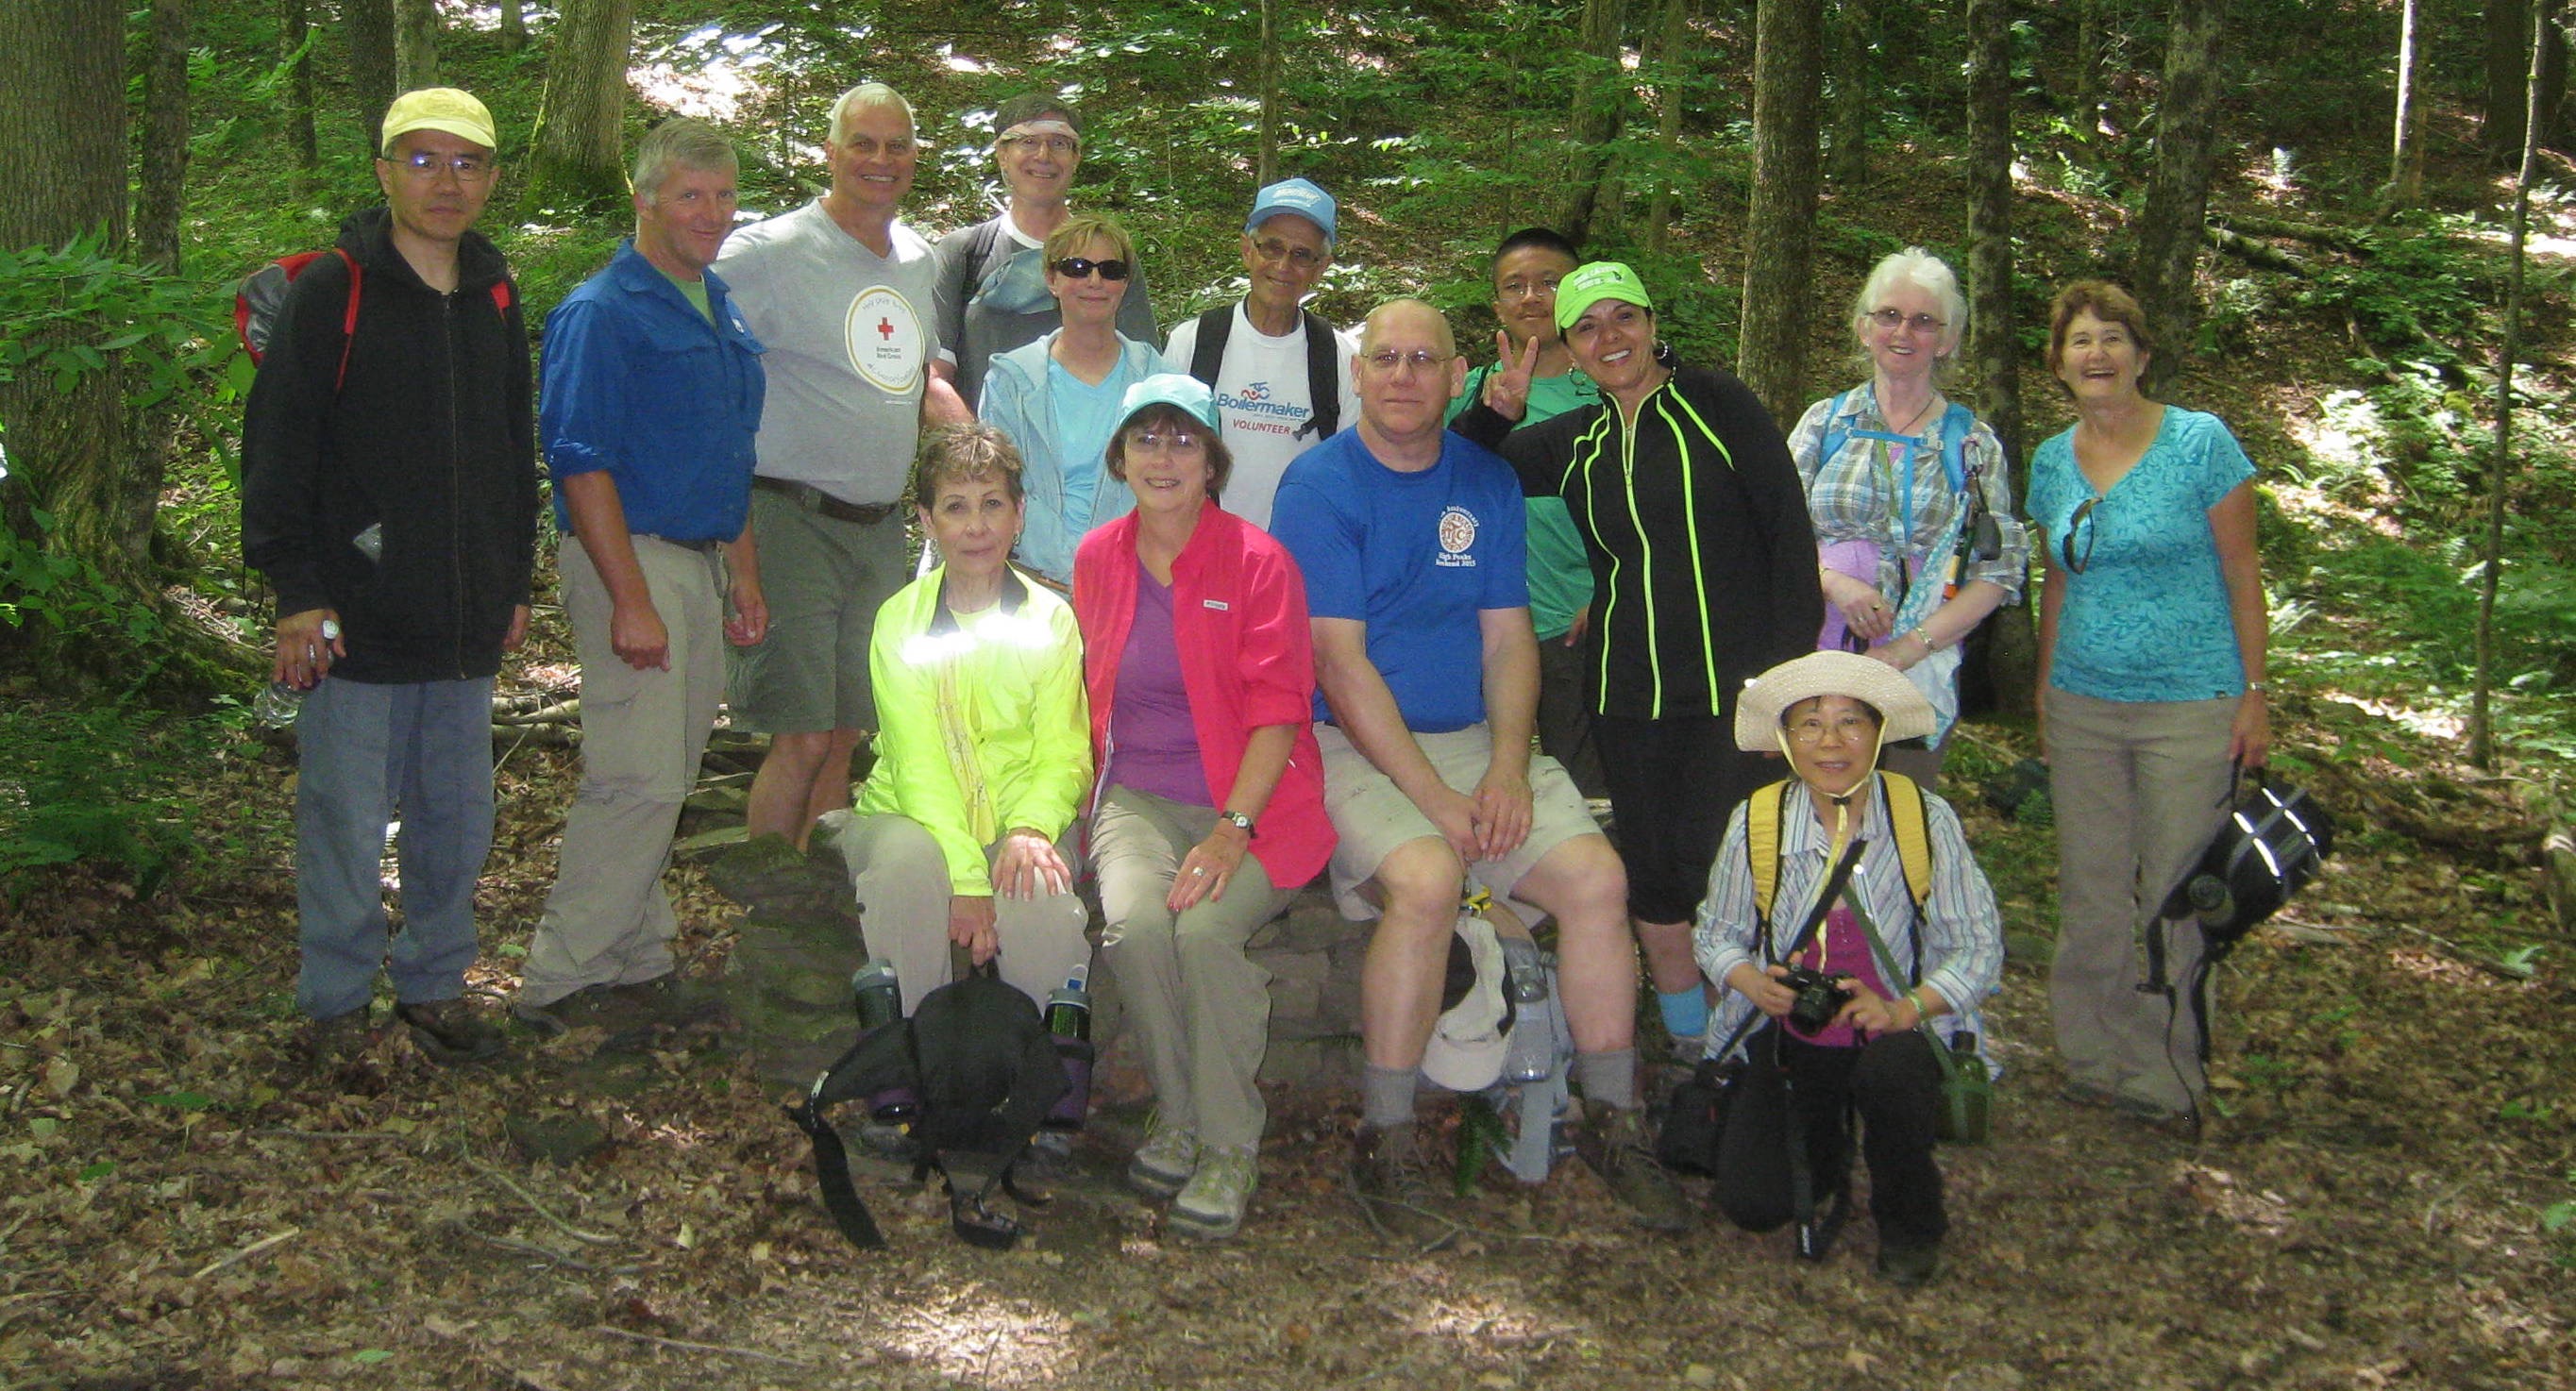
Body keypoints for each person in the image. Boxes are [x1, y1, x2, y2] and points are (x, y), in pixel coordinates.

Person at [1271, 298, 1688, 1246]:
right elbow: (1338, 660)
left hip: (1476, 739)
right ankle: (1385, 1139)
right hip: (1350, 743)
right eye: (1384, 358)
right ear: (1357, 374)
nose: (1404, 375)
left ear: (1456, 375)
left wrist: (1505, 769)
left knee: (1596, 881)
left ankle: (1616, 1115)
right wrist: (1438, 803)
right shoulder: (1317, 486)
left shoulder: (1487, 482)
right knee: (1423, 877)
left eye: (1424, 358)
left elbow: (1508, 641)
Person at [1454, 261, 1822, 1060]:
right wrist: (1494, 414)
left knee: (1733, 869)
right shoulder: (1577, 439)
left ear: (1654, 326)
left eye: (1624, 318)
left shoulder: (1719, 406)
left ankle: (1756, 1041)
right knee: (1653, 875)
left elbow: (1789, 540)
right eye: (1587, 327)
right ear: (1571, 351)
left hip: (1736, 696)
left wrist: (1788, 686)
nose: (1608, 338)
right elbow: (1463, 472)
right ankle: (1693, 1047)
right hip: (1625, 697)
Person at [241, 87, 535, 1070]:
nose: (445, 182)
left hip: (460, 610)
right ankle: (333, 1003)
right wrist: (294, 588)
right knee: (346, 815)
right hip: (350, 609)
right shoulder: (337, 288)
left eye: (466, 164)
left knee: (455, 813)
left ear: (491, 179)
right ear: (383, 171)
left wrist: (512, 578)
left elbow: (508, 444)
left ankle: (435, 985)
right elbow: (278, 443)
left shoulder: (492, 289)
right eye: (422, 160)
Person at [513, 120, 768, 1036]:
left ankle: (635, 958)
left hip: (698, 559)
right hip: (633, 557)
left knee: (671, 769)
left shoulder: (718, 302)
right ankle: (556, 979)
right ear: (647, 198)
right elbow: (578, 458)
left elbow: (727, 447)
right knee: (638, 778)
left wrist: (743, 575)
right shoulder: (603, 310)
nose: (710, 213)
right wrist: (628, 599)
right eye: (690, 194)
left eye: (723, 195)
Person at [1071, 375, 1334, 1241]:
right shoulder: (1097, 556)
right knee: (1139, 928)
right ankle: (1178, 1116)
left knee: (1206, 933)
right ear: (1119, 458)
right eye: (1144, 439)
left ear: (1213, 461)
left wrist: (1231, 832)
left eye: (1183, 440)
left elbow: (1277, 712)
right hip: (1136, 799)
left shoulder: (1258, 561)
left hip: (1253, 802)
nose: (1163, 456)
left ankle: (1229, 1146)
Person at [2027, 280, 2269, 1130]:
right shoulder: (2051, 460)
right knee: (2091, 891)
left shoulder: (2200, 443)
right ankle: (2091, 1056)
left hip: (2191, 707)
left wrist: (2253, 695)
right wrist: (2045, 689)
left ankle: (2167, 1072)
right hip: (2084, 705)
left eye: (2112, 339)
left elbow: (2243, 576)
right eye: (2079, 341)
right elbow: (2057, 578)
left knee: (2173, 893)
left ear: (2141, 355)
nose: (2096, 355)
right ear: (2058, 364)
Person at [715, 82, 971, 854]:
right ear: (829, 152)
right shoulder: (767, 253)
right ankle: (769, 909)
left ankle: (811, 891)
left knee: (847, 729)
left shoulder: (920, 260)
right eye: (863, 143)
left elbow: (915, 379)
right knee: (799, 732)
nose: (880, 160)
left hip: (876, 528)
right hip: (788, 515)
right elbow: (702, 360)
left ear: (915, 158)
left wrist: (981, 448)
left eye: (897, 145)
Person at [1695, 651, 2004, 1288]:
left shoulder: (1922, 819)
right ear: (1784, 739)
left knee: (1890, 1077)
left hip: (1896, 1025)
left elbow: (1977, 945)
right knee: (1754, 1205)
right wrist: (1749, 980)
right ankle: (1824, 1156)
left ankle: (1910, 1221)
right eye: (1809, 725)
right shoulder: (1756, 822)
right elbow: (1716, 932)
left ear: (1878, 733)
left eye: (1849, 723)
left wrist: (1905, 1009)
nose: (1829, 742)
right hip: (1791, 1030)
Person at [811, 425, 1091, 1026]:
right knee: (908, 870)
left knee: (1036, 893)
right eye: (955, 508)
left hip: (1021, 814)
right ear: (927, 520)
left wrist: (1031, 829)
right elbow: (918, 763)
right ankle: (908, 1065)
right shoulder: (899, 621)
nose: (976, 526)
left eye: (993, 505)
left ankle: (1041, 1083)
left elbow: (1064, 751)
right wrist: (967, 877)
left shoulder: (1051, 619)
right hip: (908, 813)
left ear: (1019, 514)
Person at [1785, 248, 2031, 788]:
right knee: (1810, 809)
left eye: (1924, 321)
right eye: (1889, 315)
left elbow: (1996, 573)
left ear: (1946, 341)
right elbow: (1775, 537)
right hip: (1811, 654)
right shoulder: (1823, 424)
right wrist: (1835, 584)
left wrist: (1904, 649)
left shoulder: (1971, 446)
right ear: (1863, 327)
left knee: (1899, 815)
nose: (1904, 331)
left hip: (1917, 668)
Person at [1446, 227, 1606, 798]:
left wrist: (1615, 591)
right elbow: (1442, 485)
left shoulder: (1606, 391)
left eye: (1549, 283)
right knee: (1481, 775)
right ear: (1497, 305)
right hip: (1485, 624)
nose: (1532, 297)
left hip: (1575, 620)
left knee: (1584, 779)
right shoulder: (1471, 392)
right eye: (1515, 286)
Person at [931, 93, 1158, 410]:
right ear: (1002, 154)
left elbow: (1144, 379)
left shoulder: (1109, 259)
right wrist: (984, 452)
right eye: (1027, 141)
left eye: (1060, 143)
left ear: (1076, 158)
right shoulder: (965, 253)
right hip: (985, 450)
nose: (1043, 155)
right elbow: (934, 380)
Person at [1162, 177, 1360, 528]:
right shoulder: (1192, 343)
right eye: (1272, 247)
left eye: (1301, 255)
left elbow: (1349, 471)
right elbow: (1160, 457)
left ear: (1321, 267)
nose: (1284, 266)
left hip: (1298, 553)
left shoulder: (1341, 358)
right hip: (1200, 549)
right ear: (1246, 251)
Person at [979, 213, 1165, 588]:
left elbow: (1172, 489)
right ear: (1051, 279)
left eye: (1110, 270)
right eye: (1077, 267)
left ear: (1125, 284)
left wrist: (1109, 571)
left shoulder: (1160, 382)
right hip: (1035, 583)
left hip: (1136, 583)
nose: (1094, 281)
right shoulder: (1010, 382)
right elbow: (998, 487)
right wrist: (1072, 569)